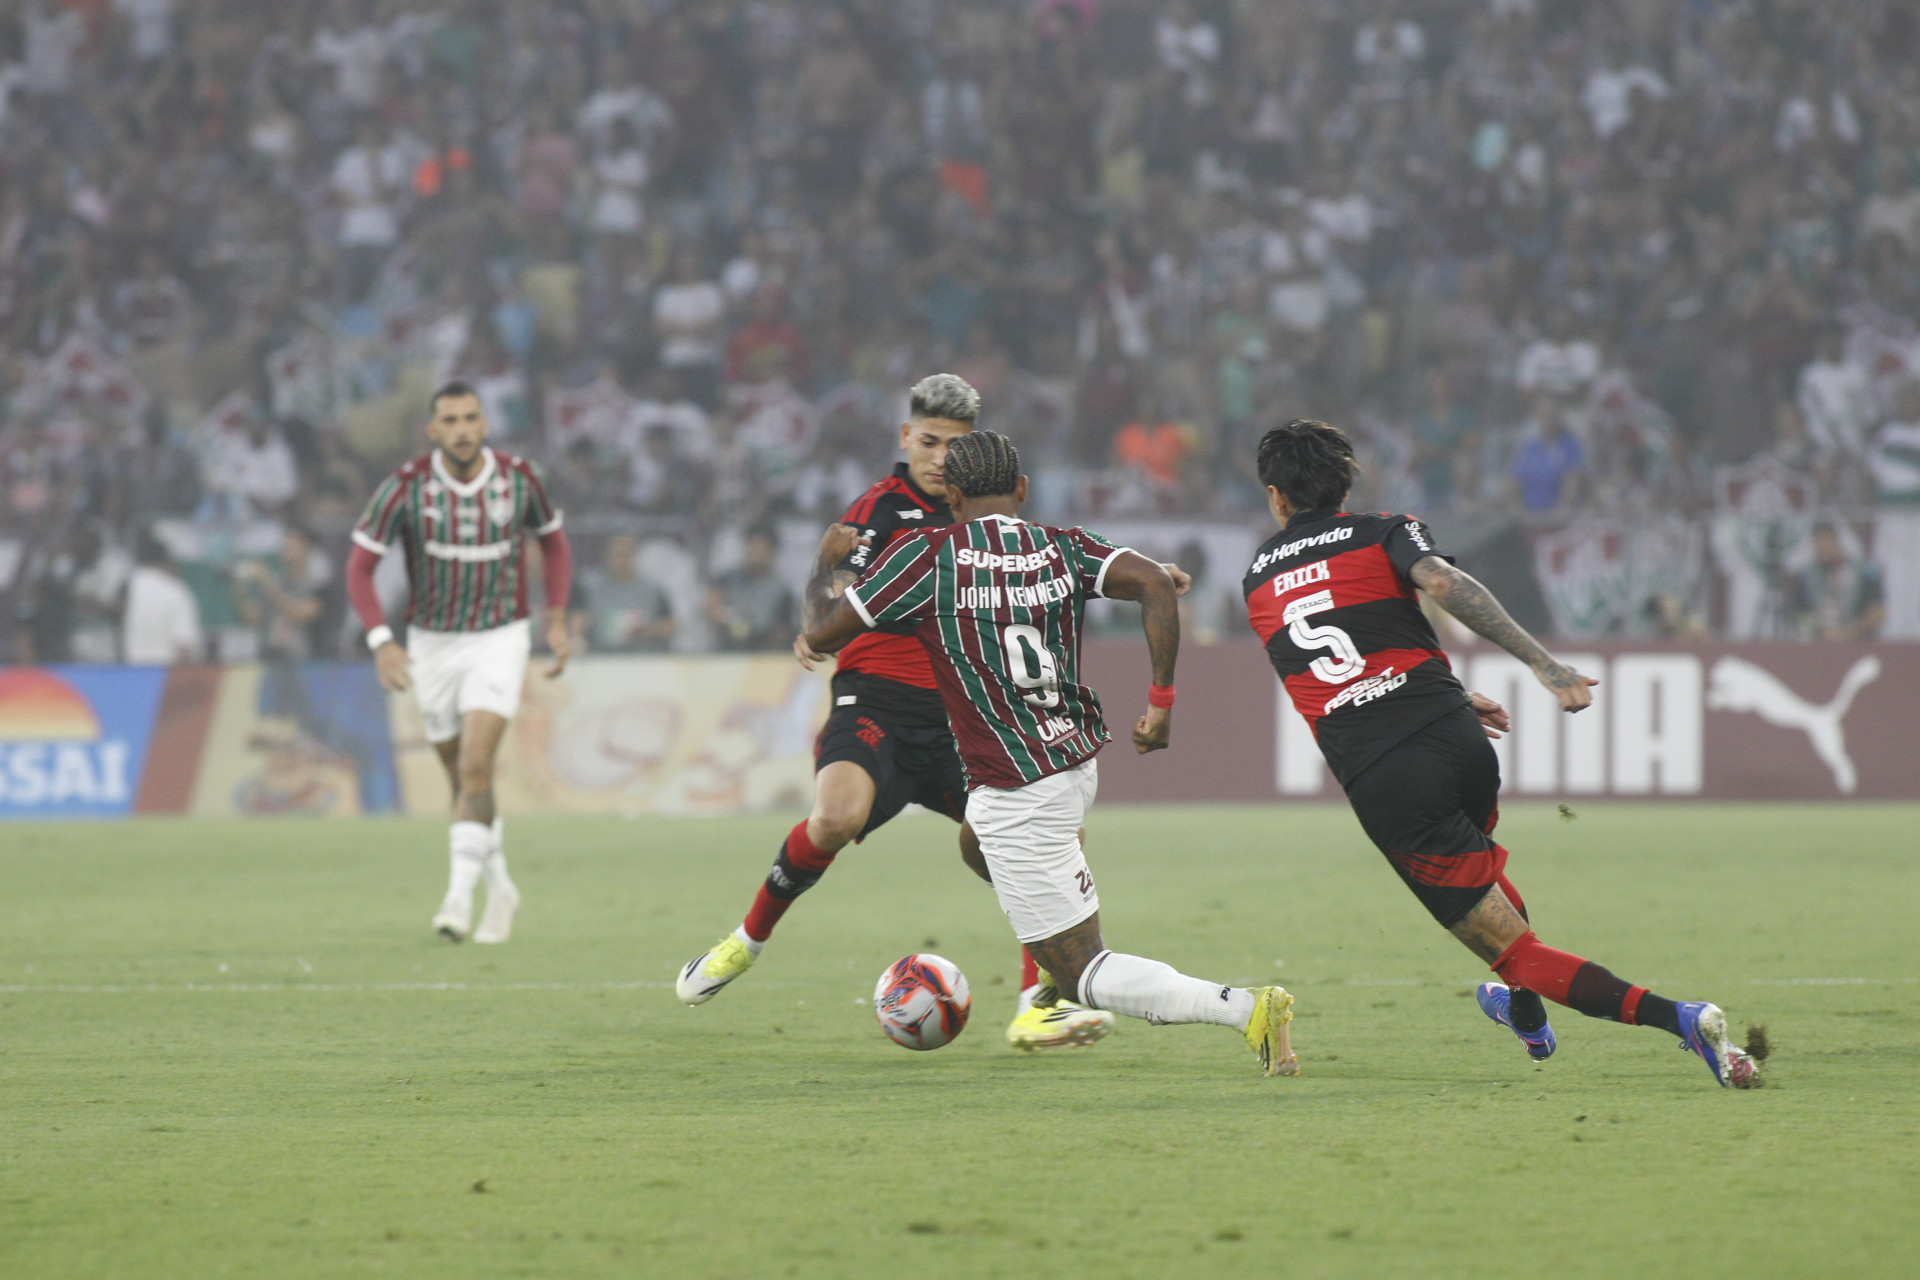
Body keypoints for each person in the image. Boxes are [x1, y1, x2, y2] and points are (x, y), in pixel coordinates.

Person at [1241, 419, 1759, 1087]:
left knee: (1513, 950)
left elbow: (1339, 656)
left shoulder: (1257, 576)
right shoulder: (1385, 528)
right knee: (1484, 888)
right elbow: (1442, 587)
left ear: (1277, 497)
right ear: (1343, 486)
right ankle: (1523, 1016)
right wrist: (1537, 669)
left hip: (1388, 775)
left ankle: (1683, 1020)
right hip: (1459, 737)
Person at [794, 430, 1299, 1077]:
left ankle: (1245, 1008)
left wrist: (825, 566)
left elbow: (825, 632)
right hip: (1069, 760)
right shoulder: (1062, 546)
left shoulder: (924, 556)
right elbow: (1153, 583)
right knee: (975, 844)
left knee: (1084, 971)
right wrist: (1162, 700)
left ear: (950, 497)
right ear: (1023, 491)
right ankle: (1051, 945)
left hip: (1016, 788)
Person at [675, 375, 1120, 1054]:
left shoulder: (984, 519)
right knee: (834, 818)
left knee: (1029, 842)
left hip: (961, 715)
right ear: (906, 438)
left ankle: (1039, 1003)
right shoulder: (878, 511)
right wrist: (815, 608)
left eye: (955, 447)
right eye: (930, 441)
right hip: (876, 698)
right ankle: (744, 943)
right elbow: (828, 591)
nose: (941, 457)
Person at [344, 381, 574, 945]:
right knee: (459, 777)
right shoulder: (405, 488)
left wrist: (558, 617)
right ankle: (500, 886)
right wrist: (382, 640)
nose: (463, 429)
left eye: (471, 418)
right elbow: (358, 568)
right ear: (433, 430)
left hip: (500, 636)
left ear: (485, 424)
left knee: (475, 765)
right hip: (432, 644)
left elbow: (556, 544)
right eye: (450, 420)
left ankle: (455, 901)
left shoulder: (521, 478)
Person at [703, 524, 796, 651]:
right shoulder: (727, 579)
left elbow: (783, 631)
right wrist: (731, 622)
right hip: (725, 651)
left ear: (772, 552)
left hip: (763, 654)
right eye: (752, 545)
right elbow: (710, 607)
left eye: (761, 547)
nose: (755, 552)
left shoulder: (781, 591)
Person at [1788, 521, 1885, 640]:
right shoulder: (1806, 576)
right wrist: (1817, 627)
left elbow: (1878, 613)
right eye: (1817, 542)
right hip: (1819, 643)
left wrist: (1847, 632)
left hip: (1859, 643)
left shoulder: (1865, 572)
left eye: (1826, 541)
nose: (1821, 547)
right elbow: (1798, 615)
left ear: (1838, 541)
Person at [122, 531, 204, 665]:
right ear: (168, 561)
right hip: (164, 674)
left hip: (131, 672)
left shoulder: (131, 583)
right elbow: (185, 645)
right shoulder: (176, 591)